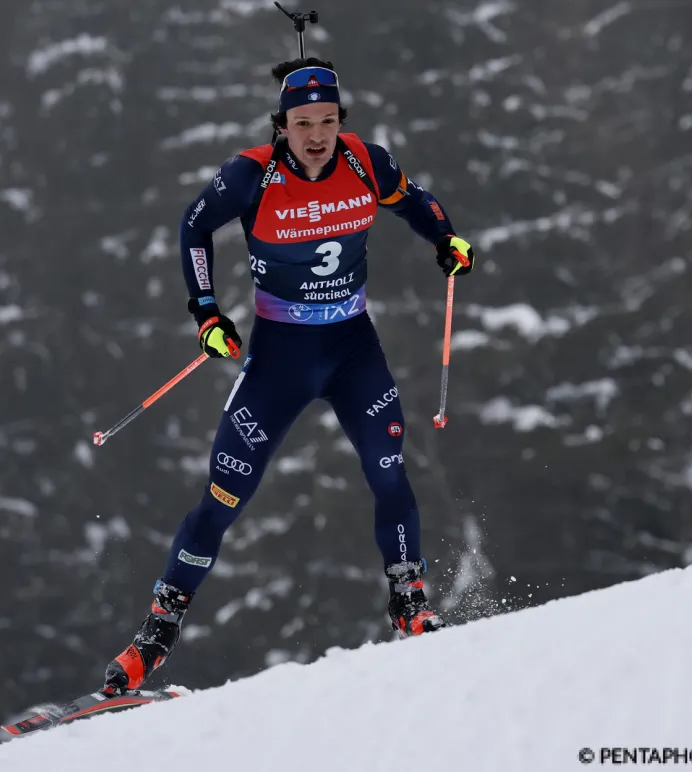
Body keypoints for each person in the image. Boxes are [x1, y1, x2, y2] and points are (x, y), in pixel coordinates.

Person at [101, 57, 476, 695]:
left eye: (328, 121)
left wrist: (446, 238)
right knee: (223, 494)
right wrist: (205, 313)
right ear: (283, 127)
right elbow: (194, 225)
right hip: (280, 356)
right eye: (303, 123)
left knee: (389, 468)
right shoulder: (253, 176)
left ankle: (409, 600)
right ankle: (155, 636)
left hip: (352, 346)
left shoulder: (365, 161)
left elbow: (414, 201)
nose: (317, 135)